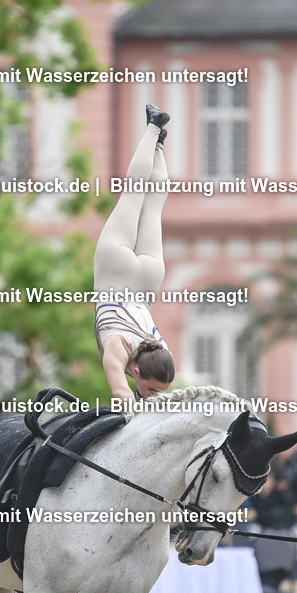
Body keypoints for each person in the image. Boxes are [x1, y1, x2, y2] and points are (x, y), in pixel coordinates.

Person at [93, 103, 175, 400]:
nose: (152, 396)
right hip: (117, 269)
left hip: (148, 278)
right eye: (153, 390)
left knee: (152, 208)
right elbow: (122, 395)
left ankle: (159, 146)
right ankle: (153, 126)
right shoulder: (119, 347)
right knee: (135, 193)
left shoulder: (159, 350)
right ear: (137, 373)